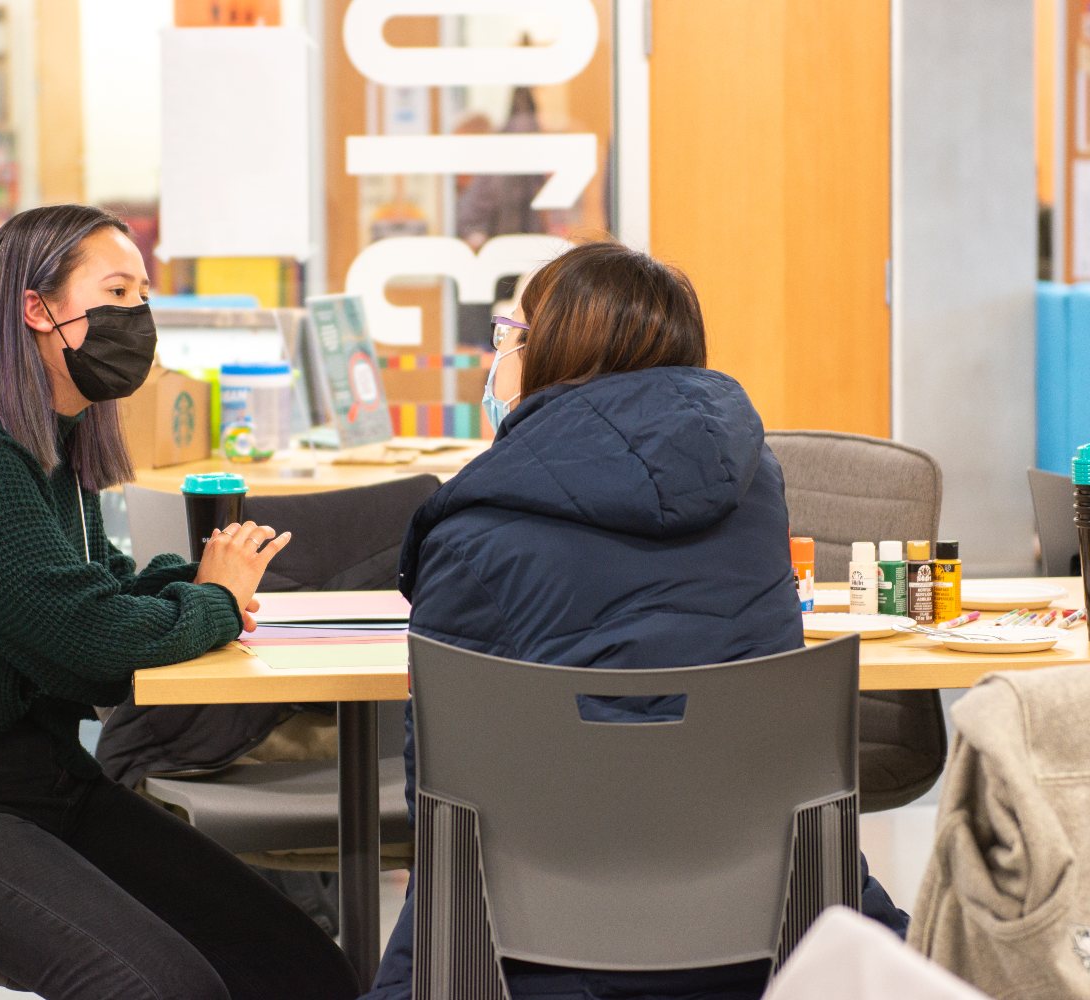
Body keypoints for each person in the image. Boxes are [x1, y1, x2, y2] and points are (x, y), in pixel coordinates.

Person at [0, 204, 359, 1000]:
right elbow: (92, 651)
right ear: (36, 309)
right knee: (164, 989)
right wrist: (213, 601)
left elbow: (98, 590)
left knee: (302, 969)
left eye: (142, 296)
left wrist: (196, 583)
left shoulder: (50, 439)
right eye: (116, 292)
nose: (137, 318)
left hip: (46, 788)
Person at [364, 241, 907, 1000]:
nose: (499, 357)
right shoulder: (752, 487)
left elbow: (447, 798)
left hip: (535, 943)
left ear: (545, 351)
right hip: (773, 917)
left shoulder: (472, 528)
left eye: (508, 334)